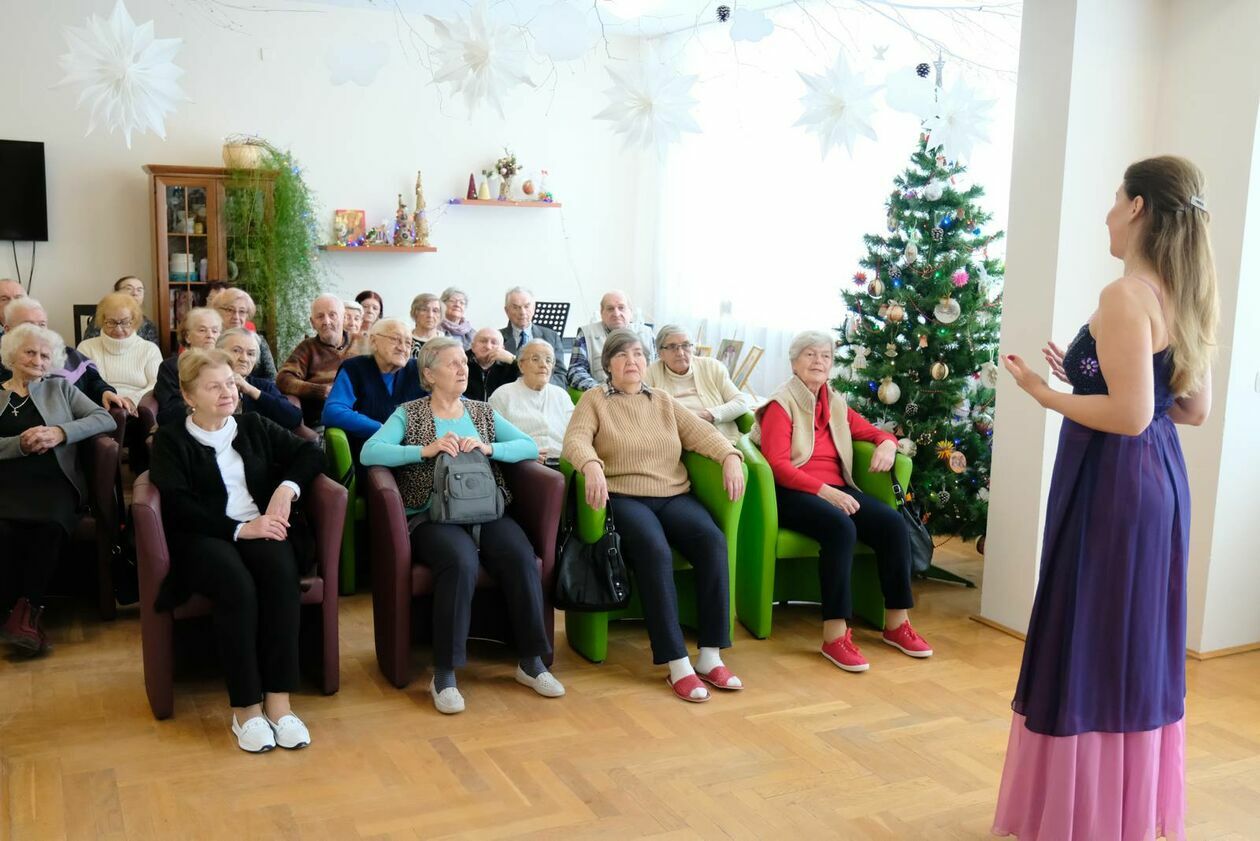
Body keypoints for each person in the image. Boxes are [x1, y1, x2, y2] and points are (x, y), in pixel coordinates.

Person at [992, 157, 1218, 841]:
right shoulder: (1179, 293)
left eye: (1116, 198)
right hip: (1157, 482)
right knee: (1133, 641)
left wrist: (1045, 392)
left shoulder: (1126, 296)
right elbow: (1190, 410)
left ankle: (1080, 817)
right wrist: (1091, 377)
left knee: (1088, 635)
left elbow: (1126, 414)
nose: (1108, 212)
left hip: (1115, 484)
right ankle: (1120, 812)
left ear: (1141, 207)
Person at [361, 337, 564, 715]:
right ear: (428, 374)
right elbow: (370, 452)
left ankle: (531, 661)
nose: (462, 369)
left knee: (521, 556)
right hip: (432, 515)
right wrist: (424, 450)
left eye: (464, 363)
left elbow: (526, 445)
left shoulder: (482, 412)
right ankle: (445, 673)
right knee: (460, 562)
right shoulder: (410, 413)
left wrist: (490, 449)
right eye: (452, 364)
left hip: (487, 510)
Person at [149, 349, 326, 753]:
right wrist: (239, 528)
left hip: (261, 526)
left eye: (230, 383)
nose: (227, 392)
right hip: (203, 536)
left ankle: (279, 703)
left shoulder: (253, 425)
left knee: (281, 578)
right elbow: (178, 505)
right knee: (237, 586)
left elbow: (310, 450)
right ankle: (246, 708)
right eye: (214, 386)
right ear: (189, 396)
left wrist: (287, 488)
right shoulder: (172, 440)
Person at [562, 328, 746, 703]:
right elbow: (574, 441)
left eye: (638, 355)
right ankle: (676, 661)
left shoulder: (661, 399)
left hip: (673, 494)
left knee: (712, 541)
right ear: (608, 364)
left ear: (647, 363)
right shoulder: (595, 400)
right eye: (622, 355)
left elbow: (700, 434)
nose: (632, 362)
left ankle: (711, 654)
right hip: (625, 496)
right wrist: (592, 465)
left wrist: (730, 456)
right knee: (655, 550)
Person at [752, 330, 932, 673]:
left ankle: (897, 624)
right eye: (809, 354)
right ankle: (835, 634)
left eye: (825, 356)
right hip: (794, 493)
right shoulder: (780, 404)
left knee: (892, 523)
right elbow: (777, 466)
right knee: (840, 528)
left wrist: (888, 444)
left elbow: (873, 432)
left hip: (837, 489)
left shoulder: (835, 402)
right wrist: (825, 492)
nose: (818, 361)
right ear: (793, 362)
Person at [0, 324, 114, 655]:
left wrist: (60, 433)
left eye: (45, 355)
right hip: (8, 483)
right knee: (5, 530)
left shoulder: (60, 389)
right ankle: (20, 617)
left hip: (55, 483)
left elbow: (103, 419)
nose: (38, 359)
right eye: (30, 352)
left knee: (50, 526)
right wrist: (19, 444)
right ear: (12, 355)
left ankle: (25, 615)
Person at [1, 298, 133, 416]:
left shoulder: (66, 354)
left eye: (42, 324)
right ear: (7, 329)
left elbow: (93, 381)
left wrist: (105, 392)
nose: (38, 331)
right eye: (29, 325)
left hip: (75, 426)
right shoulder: (8, 362)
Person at [322, 318, 426, 460]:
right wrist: (382, 429)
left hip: (416, 454)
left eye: (408, 342)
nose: (402, 347)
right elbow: (332, 411)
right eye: (395, 339)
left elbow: (449, 398)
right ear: (373, 341)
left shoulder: (418, 370)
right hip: (370, 453)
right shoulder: (354, 368)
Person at [645, 324, 752, 443]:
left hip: (725, 438)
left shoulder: (712, 367)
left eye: (685, 345)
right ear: (660, 353)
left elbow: (741, 402)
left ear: (693, 348)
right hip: (682, 444)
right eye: (672, 346)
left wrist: (711, 414)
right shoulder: (650, 374)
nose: (680, 353)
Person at [490, 338, 573, 466]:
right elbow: (492, 440)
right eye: (535, 359)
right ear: (521, 365)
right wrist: (523, 452)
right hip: (525, 465)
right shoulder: (502, 395)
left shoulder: (561, 395)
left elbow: (577, 432)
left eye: (548, 360)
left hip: (564, 461)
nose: (543, 365)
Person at [276, 294, 351, 427]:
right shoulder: (308, 348)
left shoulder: (363, 344)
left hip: (361, 411)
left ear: (344, 318)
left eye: (332, 315)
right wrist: (322, 391)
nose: (326, 321)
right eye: (320, 316)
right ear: (312, 323)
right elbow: (283, 379)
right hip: (323, 419)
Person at [78, 291, 164, 406]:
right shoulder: (86, 347)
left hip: (139, 408)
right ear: (102, 321)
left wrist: (133, 400)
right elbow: (79, 386)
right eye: (111, 322)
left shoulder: (149, 349)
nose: (118, 329)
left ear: (134, 321)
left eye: (125, 322)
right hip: (99, 407)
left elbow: (157, 384)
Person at [568, 291, 656, 390]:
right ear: (602, 313)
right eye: (610, 309)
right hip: (603, 397)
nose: (616, 313)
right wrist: (602, 390)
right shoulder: (587, 334)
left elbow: (657, 369)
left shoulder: (647, 334)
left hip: (643, 395)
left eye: (621, 308)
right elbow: (575, 371)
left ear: (630, 312)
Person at [216, 329, 302, 430]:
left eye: (250, 354)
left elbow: (294, 419)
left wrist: (251, 390)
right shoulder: (205, 384)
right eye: (236, 351)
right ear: (218, 353)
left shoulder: (263, 386)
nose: (244, 359)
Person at [154, 308, 223, 427]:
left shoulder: (225, 366)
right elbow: (168, 411)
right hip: (186, 427)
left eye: (215, 331)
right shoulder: (171, 367)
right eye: (202, 330)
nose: (210, 335)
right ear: (187, 337)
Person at [500, 286, 567, 388]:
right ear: (506, 311)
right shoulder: (497, 339)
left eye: (526, 306)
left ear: (534, 308)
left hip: (544, 395)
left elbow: (560, 376)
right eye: (516, 307)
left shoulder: (551, 336)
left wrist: (541, 385)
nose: (522, 312)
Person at [208, 287, 278, 379]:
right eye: (229, 310)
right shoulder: (210, 340)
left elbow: (272, 380)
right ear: (217, 311)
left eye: (241, 311)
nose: (236, 317)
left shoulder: (258, 341)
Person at [82, 276, 160, 345]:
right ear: (116, 293)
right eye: (129, 288)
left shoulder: (148, 325)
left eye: (139, 290)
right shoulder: (104, 318)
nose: (135, 293)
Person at [465, 326, 518, 402]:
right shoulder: (461, 363)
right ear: (473, 346)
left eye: (494, 342)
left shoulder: (510, 366)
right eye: (483, 341)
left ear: (502, 349)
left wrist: (513, 360)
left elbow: (530, 376)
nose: (488, 347)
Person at [408, 292, 442, 358]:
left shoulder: (448, 343)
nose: (430, 315)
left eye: (435, 311)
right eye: (424, 310)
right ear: (415, 313)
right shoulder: (405, 339)